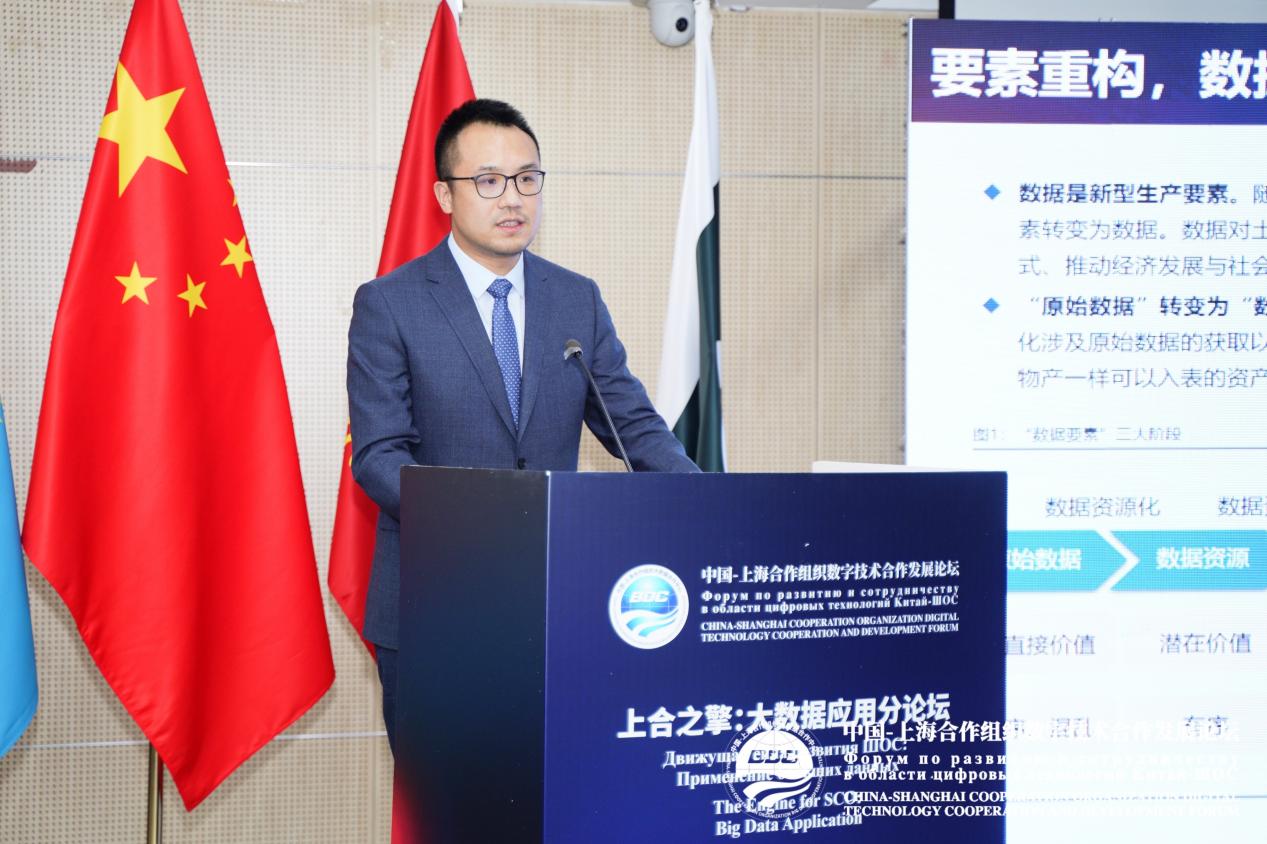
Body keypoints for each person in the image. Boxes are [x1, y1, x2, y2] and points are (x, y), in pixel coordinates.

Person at [347, 98, 698, 750]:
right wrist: (488, 516)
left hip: (558, 603)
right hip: (436, 603)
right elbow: (377, 455)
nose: (512, 198)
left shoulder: (576, 298)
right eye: (488, 180)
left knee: (555, 785)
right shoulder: (390, 304)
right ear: (444, 195)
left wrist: (708, 497)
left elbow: (634, 427)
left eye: (527, 178)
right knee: (447, 794)